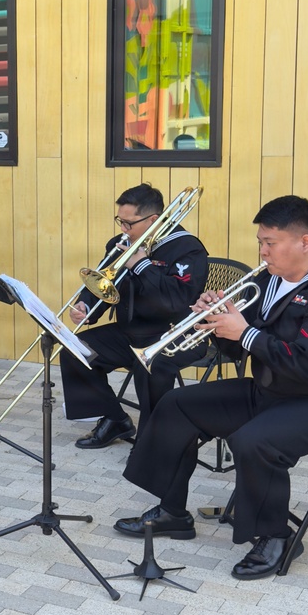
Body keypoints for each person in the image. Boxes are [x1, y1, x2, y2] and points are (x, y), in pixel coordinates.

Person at [114, 195, 308, 580]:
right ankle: (172, 511)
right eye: (260, 243)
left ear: (305, 242)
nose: (263, 252)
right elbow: (237, 345)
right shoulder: (270, 280)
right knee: (177, 404)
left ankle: (276, 536)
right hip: (272, 392)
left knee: (252, 441)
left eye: (271, 243)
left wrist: (246, 333)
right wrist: (216, 321)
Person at [60, 184, 208, 447]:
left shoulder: (187, 249)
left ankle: (151, 443)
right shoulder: (121, 244)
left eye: (129, 223)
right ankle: (115, 419)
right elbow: (104, 284)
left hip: (175, 334)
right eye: (120, 221)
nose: (123, 229)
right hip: (130, 330)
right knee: (74, 351)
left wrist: (141, 265)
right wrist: (85, 306)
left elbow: (176, 300)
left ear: (153, 220)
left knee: (149, 366)